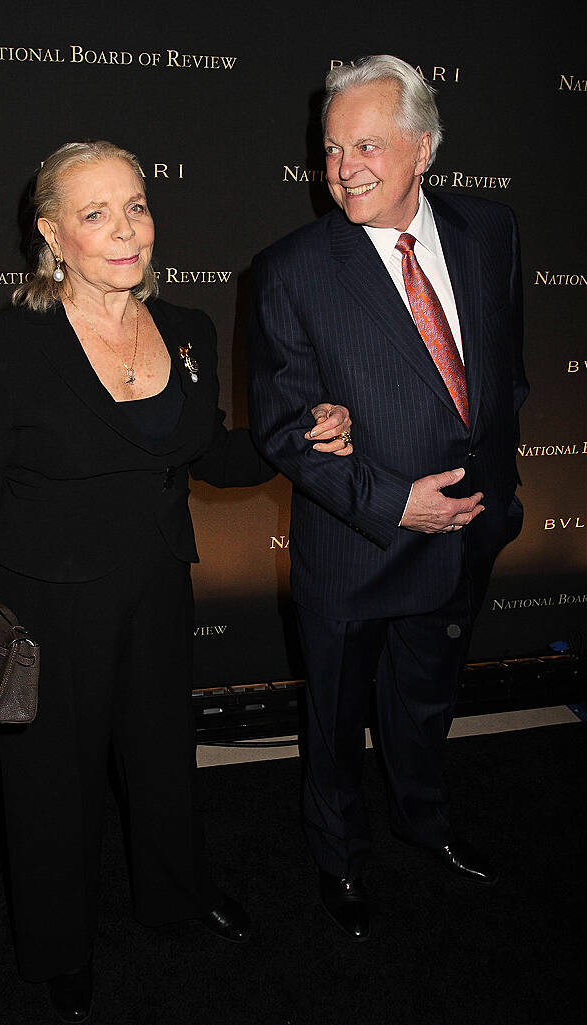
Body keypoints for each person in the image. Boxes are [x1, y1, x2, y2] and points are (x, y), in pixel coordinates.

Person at [0, 140, 354, 1022]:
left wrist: (298, 433)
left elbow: (208, 454)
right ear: (52, 236)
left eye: (138, 206)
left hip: (156, 587)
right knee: (49, 789)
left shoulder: (185, 329)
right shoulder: (3, 349)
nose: (127, 230)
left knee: (162, 764)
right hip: (44, 603)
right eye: (96, 213)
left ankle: (174, 896)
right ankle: (59, 946)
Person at [248, 55, 528, 942]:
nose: (343, 169)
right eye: (332, 150)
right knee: (333, 724)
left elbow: (502, 376)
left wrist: (492, 487)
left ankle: (425, 822)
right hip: (355, 546)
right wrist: (394, 502)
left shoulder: (492, 231)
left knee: (425, 702)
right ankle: (338, 857)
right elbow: (284, 430)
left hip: (466, 535)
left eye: (366, 145)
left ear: (424, 149)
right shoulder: (289, 270)